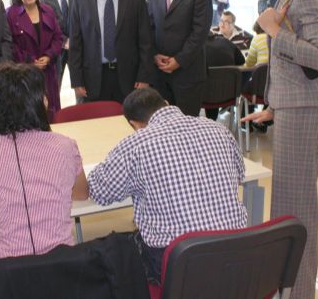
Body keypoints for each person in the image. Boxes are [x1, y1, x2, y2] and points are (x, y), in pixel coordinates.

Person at [243, 0, 318, 299]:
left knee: (296, 211)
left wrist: (276, 31)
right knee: (288, 206)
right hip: (295, 108)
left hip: (307, 112)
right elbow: (291, 67)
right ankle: (290, 289)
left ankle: (299, 293)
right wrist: (276, 107)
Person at [87, 87, 247, 284]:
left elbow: (98, 191)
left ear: (134, 124)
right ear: (166, 104)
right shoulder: (218, 129)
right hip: (237, 251)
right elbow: (240, 175)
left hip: (181, 263)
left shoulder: (136, 144)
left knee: (118, 248)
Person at [0, 63, 89, 260]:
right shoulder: (65, 146)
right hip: (61, 269)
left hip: (7, 275)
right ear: (39, 103)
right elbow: (82, 194)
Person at [69, 0, 153, 103]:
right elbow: (75, 45)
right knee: (96, 124)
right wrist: (76, 80)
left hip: (130, 79)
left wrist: (144, 76)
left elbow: (145, 40)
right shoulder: (80, 1)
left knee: (129, 124)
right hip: (92, 79)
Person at [149, 0, 210, 116]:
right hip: (160, 76)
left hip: (188, 75)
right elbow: (150, 27)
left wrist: (179, 60)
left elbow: (200, 33)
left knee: (186, 131)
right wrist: (154, 54)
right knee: (164, 129)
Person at [6, 0, 63, 120]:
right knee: (29, 117)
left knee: (51, 115)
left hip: (48, 72)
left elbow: (58, 38)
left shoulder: (48, 10)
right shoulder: (10, 14)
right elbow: (10, 44)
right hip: (24, 74)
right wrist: (31, 61)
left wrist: (49, 56)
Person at [41, 0, 80, 86]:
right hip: (56, 48)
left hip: (75, 46)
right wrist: (64, 41)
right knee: (55, 84)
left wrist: (72, 40)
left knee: (80, 84)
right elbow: (47, 23)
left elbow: (81, 20)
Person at [203, 30, 245, 121]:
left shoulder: (194, 47)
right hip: (228, 95)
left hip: (200, 97)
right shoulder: (226, 42)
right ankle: (212, 123)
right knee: (214, 86)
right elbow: (242, 61)